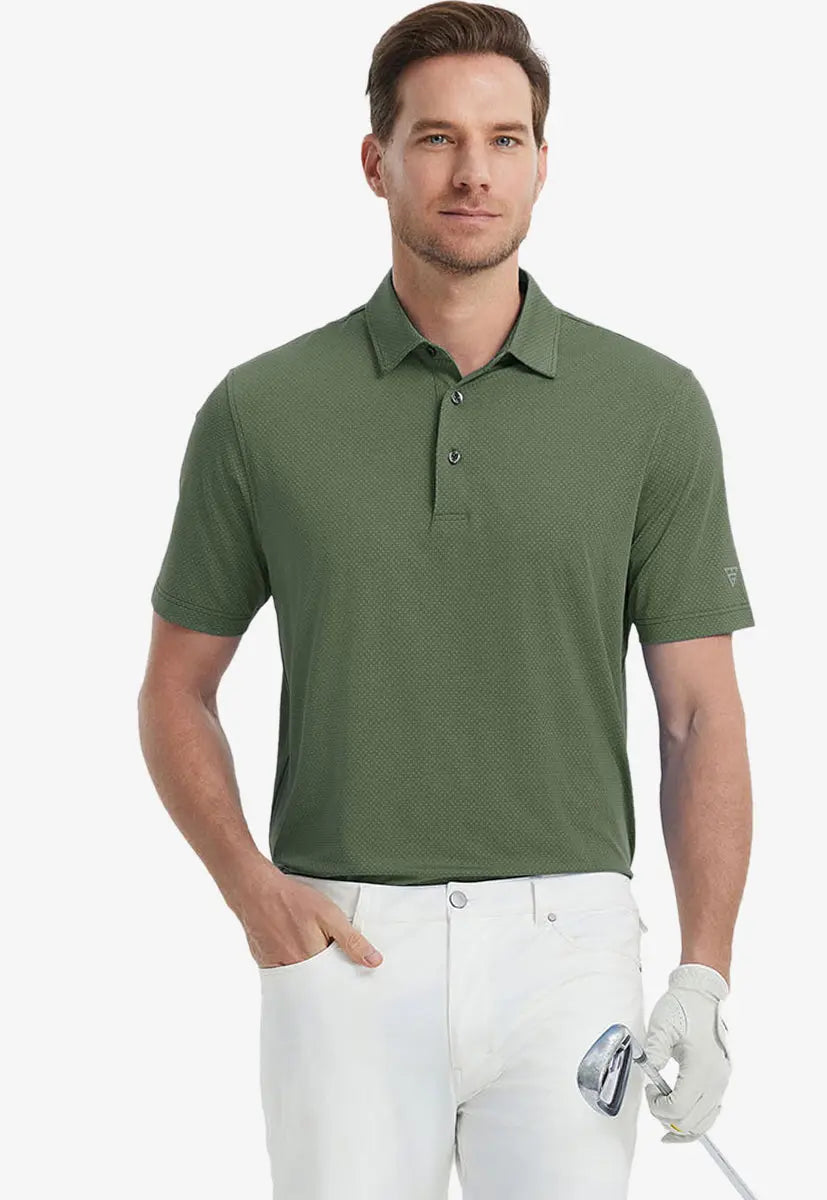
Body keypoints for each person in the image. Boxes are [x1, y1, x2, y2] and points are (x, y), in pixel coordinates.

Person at [138, 4, 754, 1197]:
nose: (474, 172)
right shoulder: (261, 411)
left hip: (570, 946)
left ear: (542, 162)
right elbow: (176, 689)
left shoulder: (651, 407)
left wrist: (704, 972)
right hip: (342, 939)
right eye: (437, 138)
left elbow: (698, 715)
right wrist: (252, 889)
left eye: (504, 139)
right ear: (376, 161)